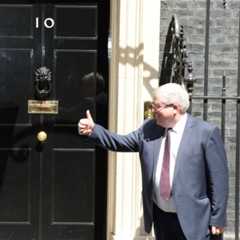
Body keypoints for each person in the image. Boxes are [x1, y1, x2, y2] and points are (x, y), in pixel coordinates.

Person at [78, 83, 229, 240]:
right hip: (161, 216)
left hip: (195, 219)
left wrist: (217, 218)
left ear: (175, 108)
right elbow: (121, 142)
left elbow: (219, 181)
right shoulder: (149, 128)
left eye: (157, 106)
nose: (152, 111)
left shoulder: (205, 133)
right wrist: (95, 130)